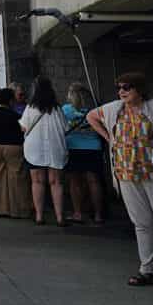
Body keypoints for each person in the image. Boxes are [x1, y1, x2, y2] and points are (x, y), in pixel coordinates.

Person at [87, 72, 153, 291]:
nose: (122, 91)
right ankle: (148, 269)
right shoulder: (114, 108)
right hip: (126, 172)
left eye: (127, 87)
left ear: (139, 88)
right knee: (141, 223)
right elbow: (91, 116)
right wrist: (108, 137)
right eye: (119, 87)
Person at [20, 76, 68, 225]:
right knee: (56, 182)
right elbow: (65, 128)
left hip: (34, 148)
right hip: (56, 148)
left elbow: (24, 127)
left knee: (37, 181)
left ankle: (39, 216)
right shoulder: (57, 109)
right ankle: (60, 217)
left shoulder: (30, 107)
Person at [0, 87, 30, 219]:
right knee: (17, 177)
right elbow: (22, 131)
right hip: (14, 147)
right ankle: (19, 209)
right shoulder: (16, 116)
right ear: (11, 100)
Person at [63, 82, 105, 225]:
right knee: (94, 181)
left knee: (75, 182)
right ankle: (98, 214)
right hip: (93, 147)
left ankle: (78, 213)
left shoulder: (66, 110)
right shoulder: (95, 108)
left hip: (73, 147)